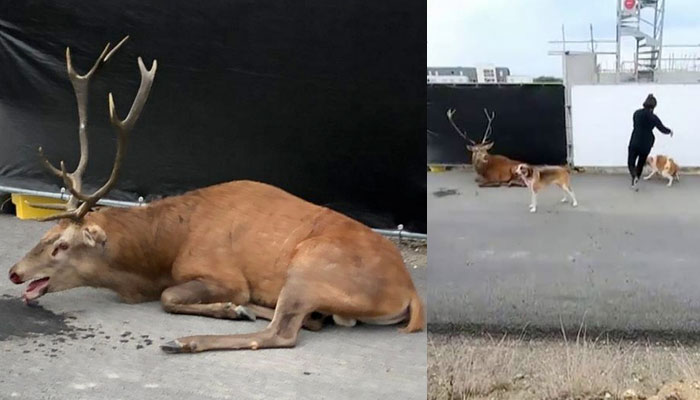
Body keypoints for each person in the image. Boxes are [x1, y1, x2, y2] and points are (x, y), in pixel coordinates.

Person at [628, 93, 673, 190]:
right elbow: (662, 128)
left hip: (635, 140)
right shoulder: (654, 117)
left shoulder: (636, 113)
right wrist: (669, 131)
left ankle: (634, 176)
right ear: (654, 106)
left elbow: (635, 125)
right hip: (646, 143)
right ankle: (634, 182)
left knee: (631, 162)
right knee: (640, 163)